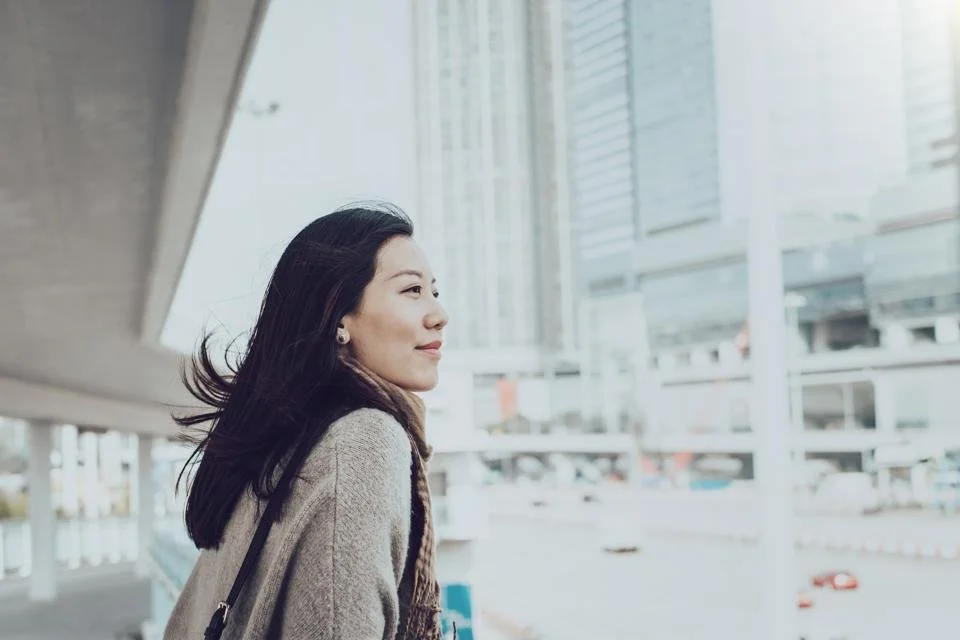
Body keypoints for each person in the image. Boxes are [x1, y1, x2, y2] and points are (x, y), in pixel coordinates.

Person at [164, 204, 450, 639]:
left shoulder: (284, 443)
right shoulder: (364, 441)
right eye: (412, 290)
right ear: (339, 316)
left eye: (434, 291)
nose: (439, 314)